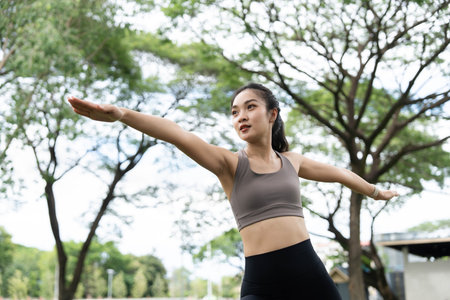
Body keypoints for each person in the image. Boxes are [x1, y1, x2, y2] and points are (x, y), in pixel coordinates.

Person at [68, 82, 398, 299]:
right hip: (262, 282)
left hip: (309, 274)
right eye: (234, 112)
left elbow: (339, 173)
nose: (241, 116)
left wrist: (373, 192)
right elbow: (177, 134)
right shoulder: (229, 164)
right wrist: (122, 115)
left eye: (250, 107)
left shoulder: (292, 162)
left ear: (272, 114)